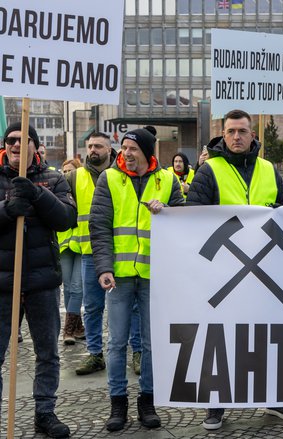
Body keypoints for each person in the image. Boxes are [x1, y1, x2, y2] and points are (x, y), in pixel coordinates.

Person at [186, 109, 283, 429]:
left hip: (265, 267)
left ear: (252, 135)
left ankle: (275, 400)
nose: (237, 137)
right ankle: (216, 404)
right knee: (220, 338)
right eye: (231, 131)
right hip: (224, 269)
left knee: (266, 336)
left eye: (242, 131)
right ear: (223, 133)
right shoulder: (209, 171)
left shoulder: (268, 169)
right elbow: (193, 216)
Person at [89, 128, 184, 432]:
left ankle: (148, 401)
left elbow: (184, 222)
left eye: (132, 148)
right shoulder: (110, 178)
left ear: (146, 151)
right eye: (124, 147)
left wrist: (167, 211)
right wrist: (104, 267)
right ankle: (118, 403)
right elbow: (99, 226)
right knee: (117, 343)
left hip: (154, 274)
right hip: (119, 275)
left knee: (152, 343)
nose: (126, 153)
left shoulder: (167, 180)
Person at [0, 123, 76, 438]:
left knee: (48, 352)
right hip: (2, 284)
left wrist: (37, 194)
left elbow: (66, 219)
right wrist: (6, 209)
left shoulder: (54, 179)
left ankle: (44, 413)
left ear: (35, 145)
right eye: (11, 140)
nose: (17, 144)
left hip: (42, 282)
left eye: (23, 140)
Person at [73, 133, 143, 377]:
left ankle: (137, 352)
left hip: (121, 254)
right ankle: (94, 354)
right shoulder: (75, 176)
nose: (93, 149)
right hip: (89, 253)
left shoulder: (123, 173)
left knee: (132, 307)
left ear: (109, 149)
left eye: (98, 146)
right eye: (90, 145)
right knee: (92, 307)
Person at [57, 158, 85, 345]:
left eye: (70, 171)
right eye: (64, 171)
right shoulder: (59, 191)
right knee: (68, 289)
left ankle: (68, 330)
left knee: (77, 288)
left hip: (83, 244)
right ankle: (77, 326)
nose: (67, 174)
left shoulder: (83, 191)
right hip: (65, 245)